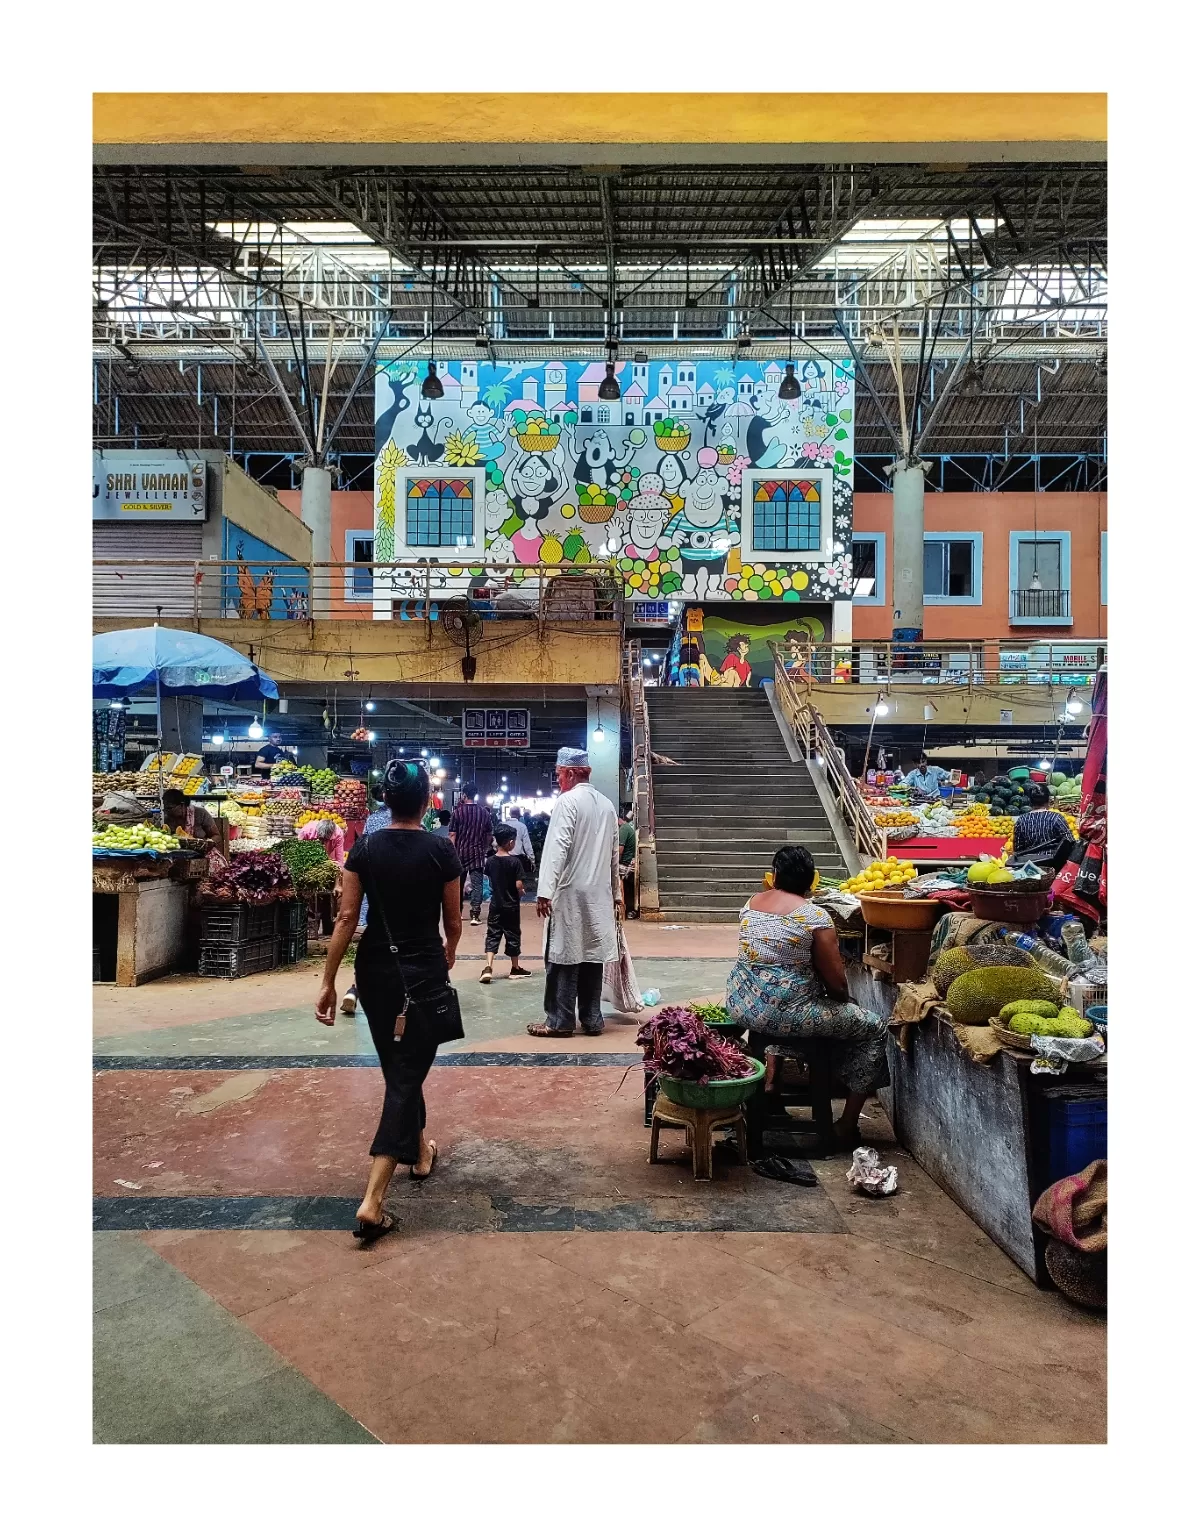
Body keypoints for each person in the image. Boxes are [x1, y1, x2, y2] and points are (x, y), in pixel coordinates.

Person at [315, 759, 463, 1245]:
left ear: (386, 801)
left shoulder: (365, 848)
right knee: (404, 1076)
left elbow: (345, 918)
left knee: (401, 1067)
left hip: (374, 971)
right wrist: (449, 953)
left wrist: (328, 981)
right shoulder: (442, 851)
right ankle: (373, 1200)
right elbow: (453, 922)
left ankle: (420, 1153)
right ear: (426, 802)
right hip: (422, 973)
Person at [725, 844, 889, 1145]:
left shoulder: (750, 904)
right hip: (786, 1015)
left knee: (791, 1007)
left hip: (742, 1006)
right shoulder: (814, 917)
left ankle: (772, 1087)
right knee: (874, 1027)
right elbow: (838, 986)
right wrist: (843, 1003)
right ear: (812, 881)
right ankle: (846, 1124)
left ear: (773, 876)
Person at [528, 747, 621, 1038]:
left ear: (569, 773)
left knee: (563, 958)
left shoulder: (567, 802)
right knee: (592, 957)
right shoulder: (607, 805)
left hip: (569, 893)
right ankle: (593, 1020)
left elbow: (557, 848)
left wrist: (545, 890)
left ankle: (560, 1021)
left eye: (558, 774)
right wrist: (617, 894)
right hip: (599, 894)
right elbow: (613, 856)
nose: (558, 780)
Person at [480, 826, 532, 983]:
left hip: (495, 905)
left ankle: (488, 966)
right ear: (510, 843)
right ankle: (515, 968)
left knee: (493, 934)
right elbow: (518, 886)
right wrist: (522, 891)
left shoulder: (490, 861)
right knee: (513, 935)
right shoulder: (515, 862)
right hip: (511, 906)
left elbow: (489, 881)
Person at [448, 782, 493, 926]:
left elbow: (452, 834)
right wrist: (484, 848)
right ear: (476, 795)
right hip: (477, 853)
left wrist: (452, 853)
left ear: (464, 795)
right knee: (477, 884)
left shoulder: (458, 812)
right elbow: (489, 835)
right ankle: (475, 915)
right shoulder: (484, 812)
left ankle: (458, 913)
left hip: (459, 853)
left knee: (458, 885)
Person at [1012, 780, 1073, 864]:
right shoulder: (1056, 818)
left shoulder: (1021, 820)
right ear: (1048, 800)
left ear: (1030, 802)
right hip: (1055, 865)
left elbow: (1017, 850)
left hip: (1030, 866)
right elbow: (1070, 842)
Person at [501, 807, 535, 873]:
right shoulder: (522, 826)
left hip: (503, 858)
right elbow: (527, 845)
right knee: (518, 881)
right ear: (519, 815)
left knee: (504, 881)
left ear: (509, 814)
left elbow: (496, 843)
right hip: (518, 859)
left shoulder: (502, 825)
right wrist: (532, 860)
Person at [617, 807, 637, 918]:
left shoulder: (623, 829)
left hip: (625, 865)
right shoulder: (629, 827)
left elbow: (620, 850)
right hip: (630, 863)